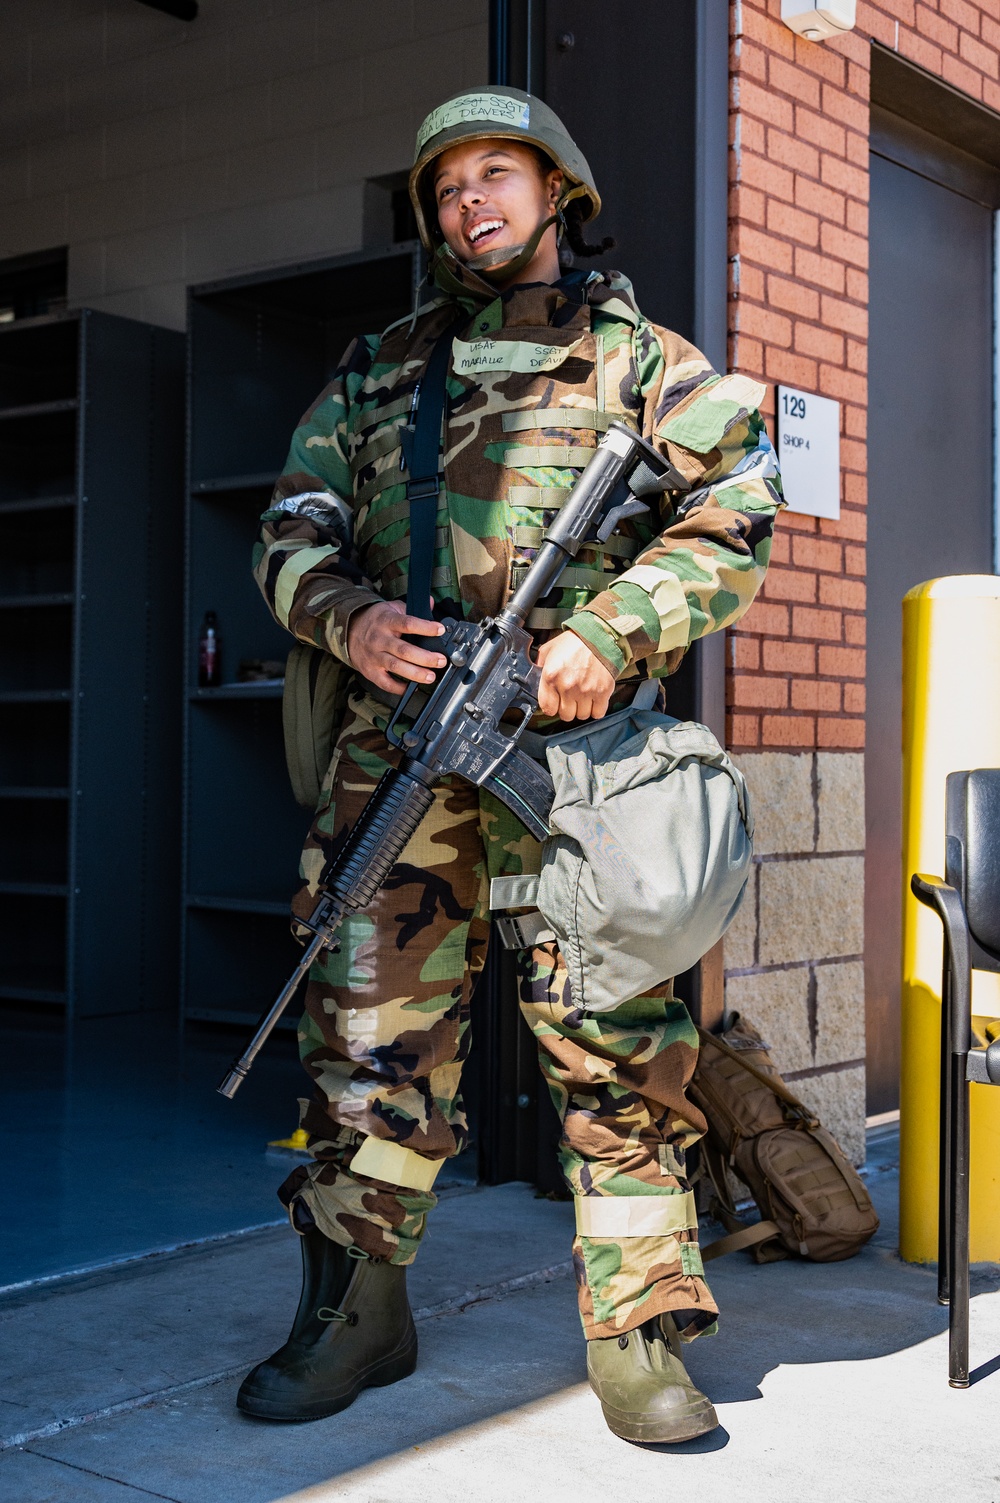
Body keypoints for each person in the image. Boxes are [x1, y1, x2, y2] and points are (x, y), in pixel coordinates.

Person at [242, 86, 782, 1444]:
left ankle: (641, 1331)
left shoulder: (645, 362)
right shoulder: (376, 370)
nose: (470, 202)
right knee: (366, 1047)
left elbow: (736, 509)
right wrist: (345, 617)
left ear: (559, 194)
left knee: (619, 1044)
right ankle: (357, 1311)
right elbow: (290, 529)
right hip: (400, 760)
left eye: (499, 174)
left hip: (584, 762)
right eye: (447, 187)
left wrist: (613, 627)